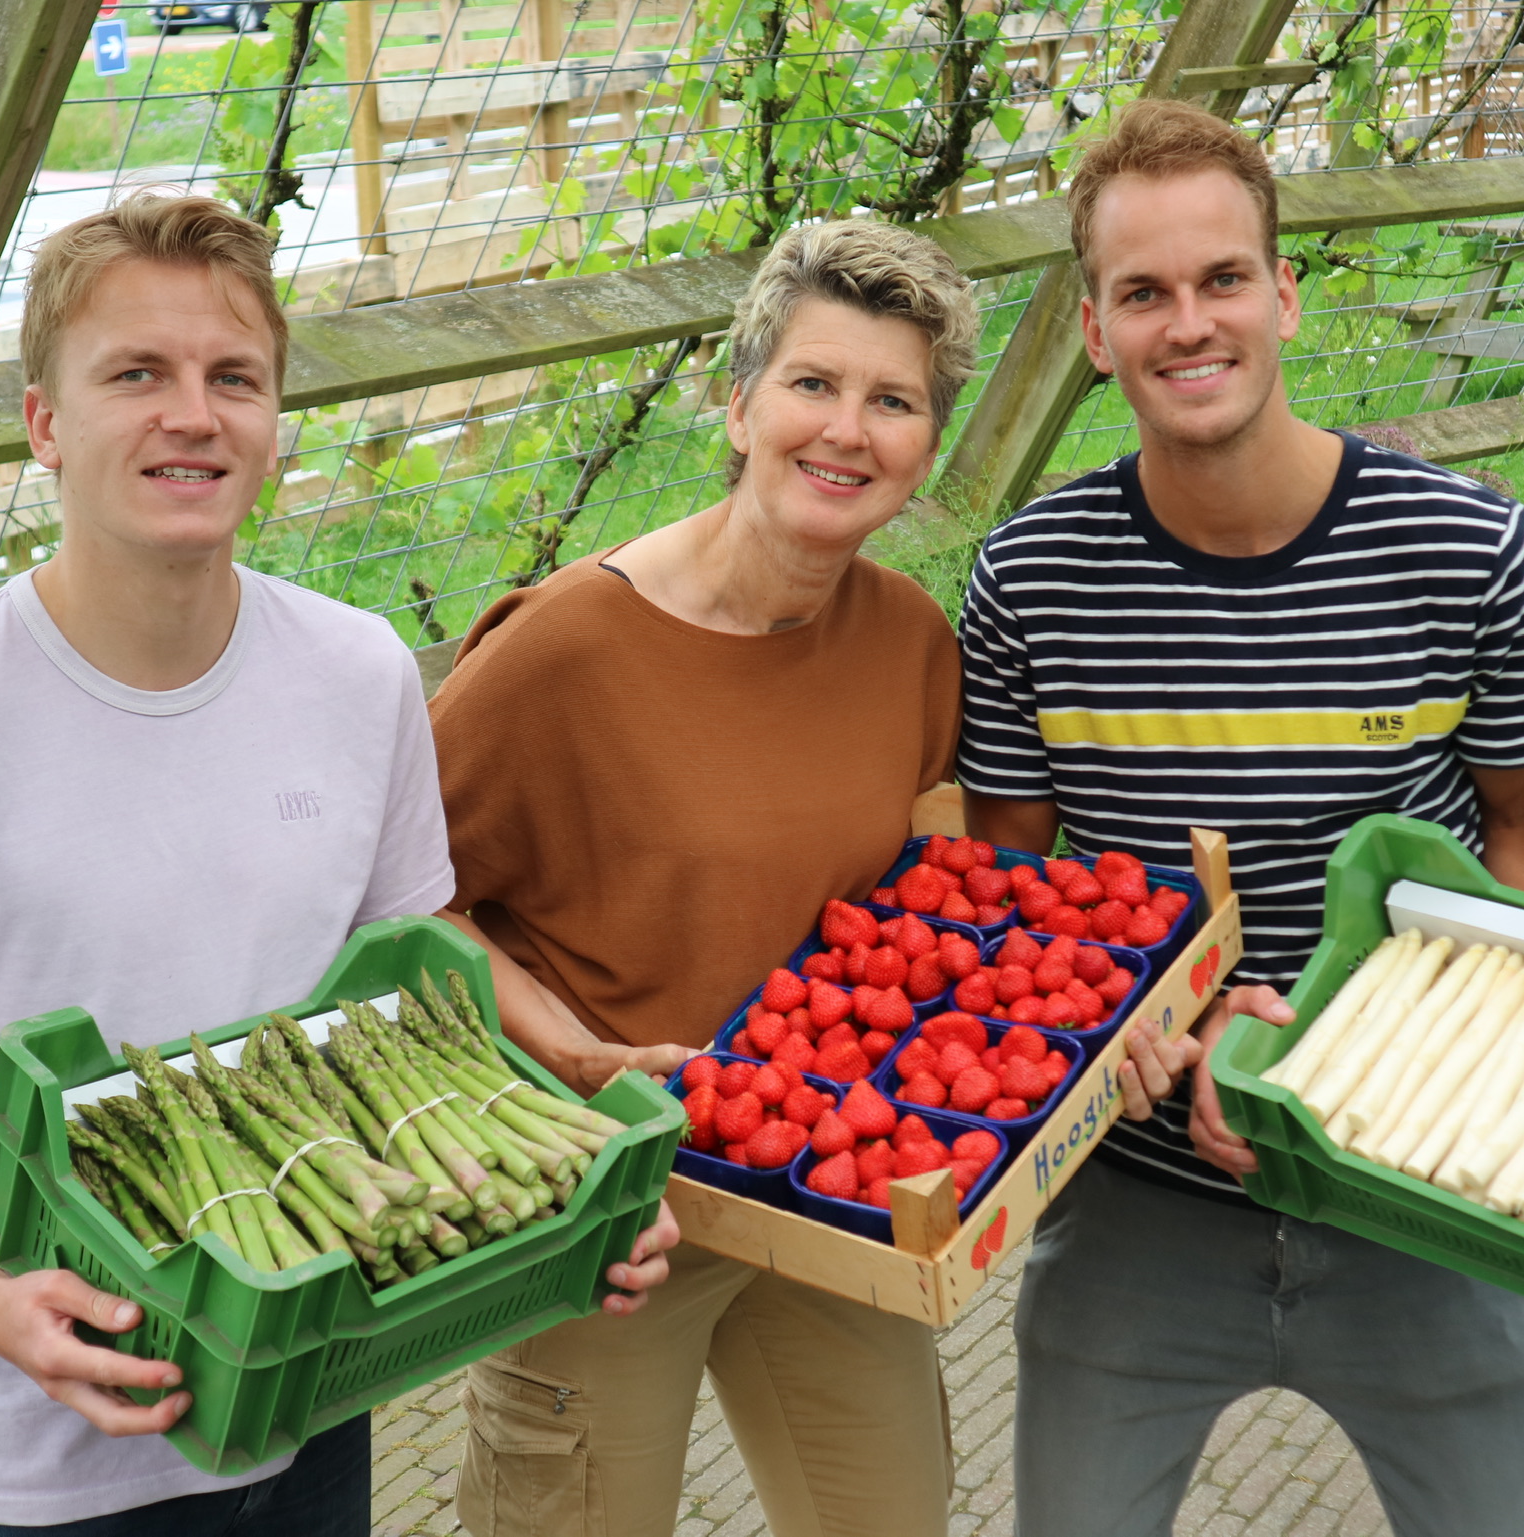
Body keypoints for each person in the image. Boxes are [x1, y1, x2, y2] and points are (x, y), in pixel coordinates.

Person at [0, 193, 671, 1537]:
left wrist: (570, 1084)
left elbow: (421, 955)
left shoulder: (357, 669)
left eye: (231, 377)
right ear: (45, 424)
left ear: (270, 420)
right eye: (137, 373)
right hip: (54, 1447)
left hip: (323, 1365)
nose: (192, 413)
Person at [955, 101, 1524, 1537]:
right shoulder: (1029, 581)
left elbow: (1523, 829)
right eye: (1143, 292)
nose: (1188, 323)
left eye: (1221, 278)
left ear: (1283, 294)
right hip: (1134, 1210)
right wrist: (1078, 1021)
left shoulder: (1461, 546)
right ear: (1091, 328)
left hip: (1414, 1192)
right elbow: (1003, 882)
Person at [427, 219, 1059, 1537]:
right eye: (811, 385)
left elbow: (926, 894)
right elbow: (399, 903)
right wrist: (579, 1059)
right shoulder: (561, 654)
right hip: (605, 1211)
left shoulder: (905, 643)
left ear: (925, 448)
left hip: (820, 1178)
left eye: (892, 402)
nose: (845, 429)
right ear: (738, 402)